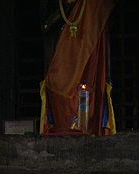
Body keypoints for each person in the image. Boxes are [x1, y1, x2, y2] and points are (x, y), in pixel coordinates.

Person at [40, 0, 116, 136]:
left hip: (87, 51)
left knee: (88, 88)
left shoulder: (93, 5)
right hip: (64, 53)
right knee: (57, 84)